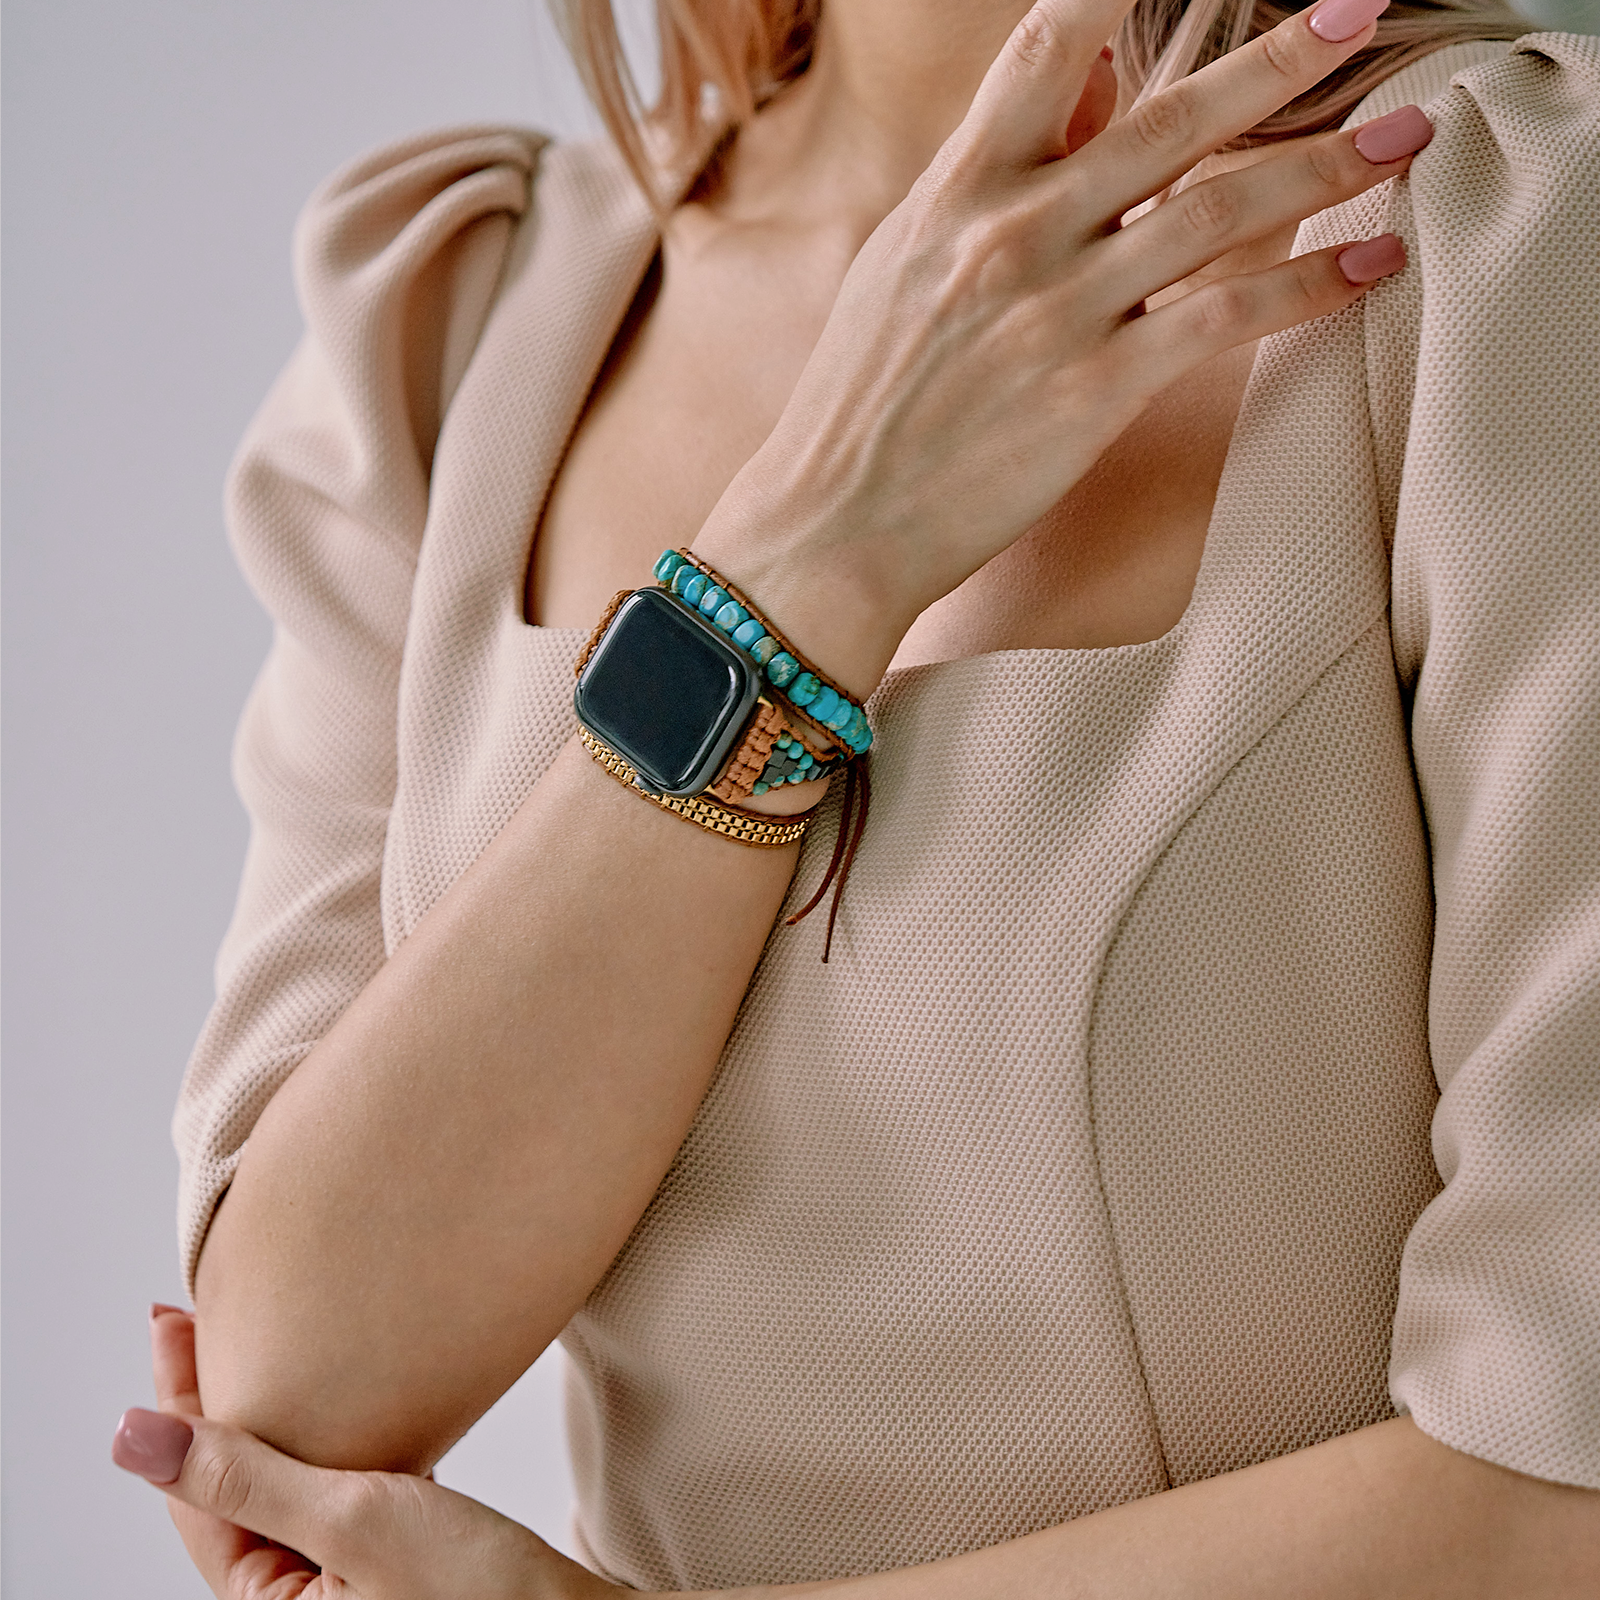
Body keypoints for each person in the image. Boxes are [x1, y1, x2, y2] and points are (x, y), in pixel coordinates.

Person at [113, 0, 1599, 1594]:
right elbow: (290, 1409)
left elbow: (1561, 1484)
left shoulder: (1504, 222)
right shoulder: (462, 320)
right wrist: (804, 561)